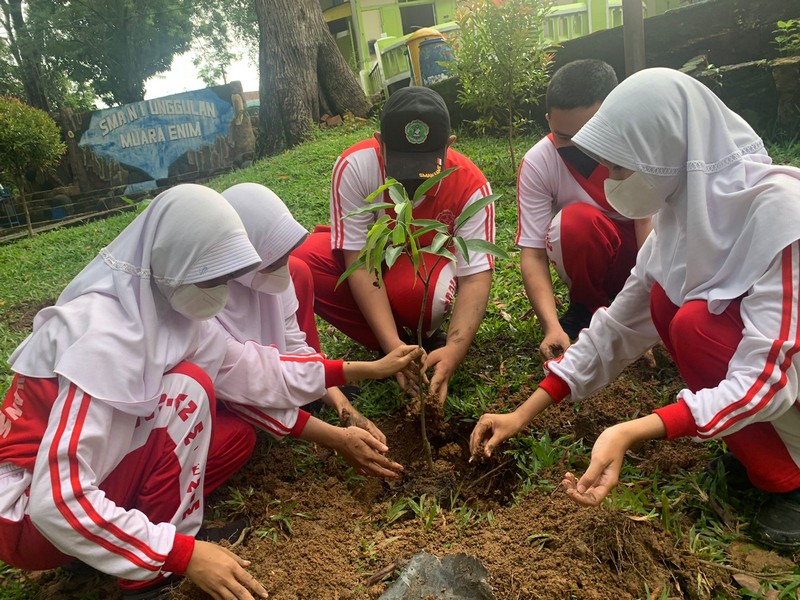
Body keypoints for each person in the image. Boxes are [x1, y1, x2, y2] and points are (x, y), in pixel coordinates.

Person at [470, 68, 800, 550]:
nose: (611, 180)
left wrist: (630, 431)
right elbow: (616, 328)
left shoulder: (782, 217)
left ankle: (789, 480)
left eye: (620, 168)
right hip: (777, 381)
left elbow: (766, 379)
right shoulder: (681, 220)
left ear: (663, 151)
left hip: (784, 379)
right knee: (666, 301)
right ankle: (758, 445)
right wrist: (523, 412)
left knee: (695, 326)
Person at [0, 184, 270, 599]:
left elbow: (251, 369)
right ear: (174, 262)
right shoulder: (102, 337)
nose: (221, 290)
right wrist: (182, 555)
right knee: (187, 391)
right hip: (24, 520)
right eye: (212, 276)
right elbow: (52, 503)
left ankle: (138, 543)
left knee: (232, 438)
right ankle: (148, 578)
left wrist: (349, 375)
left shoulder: (162, 311)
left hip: (50, 493)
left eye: (226, 277)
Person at [292, 86, 495, 404]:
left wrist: (455, 351)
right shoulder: (355, 167)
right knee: (302, 262)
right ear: (378, 142)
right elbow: (358, 259)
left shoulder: (471, 185)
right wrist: (392, 349)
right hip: (373, 261)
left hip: (422, 267)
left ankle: (426, 339)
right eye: (400, 165)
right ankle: (395, 344)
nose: (414, 181)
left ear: (449, 146)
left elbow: (476, 275)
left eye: (428, 167)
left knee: (417, 293)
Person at [214, 182, 419, 478]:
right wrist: (337, 437)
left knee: (298, 270)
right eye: (273, 256)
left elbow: (295, 347)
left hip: (262, 374)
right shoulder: (205, 309)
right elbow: (247, 386)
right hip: (218, 395)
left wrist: (344, 408)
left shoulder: (269, 277)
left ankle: (307, 393)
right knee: (239, 434)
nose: (282, 264)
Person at [517, 59, 653, 359]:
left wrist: (645, 311)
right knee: (574, 223)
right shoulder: (540, 161)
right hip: (601, 256)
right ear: (549, 119)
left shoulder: (644, 142)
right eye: (564, 136)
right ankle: (590, 310)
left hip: (654, 255)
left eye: (590, 131)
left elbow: (648, 223)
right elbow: (533, 253)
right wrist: (551, 326)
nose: (581, 146)